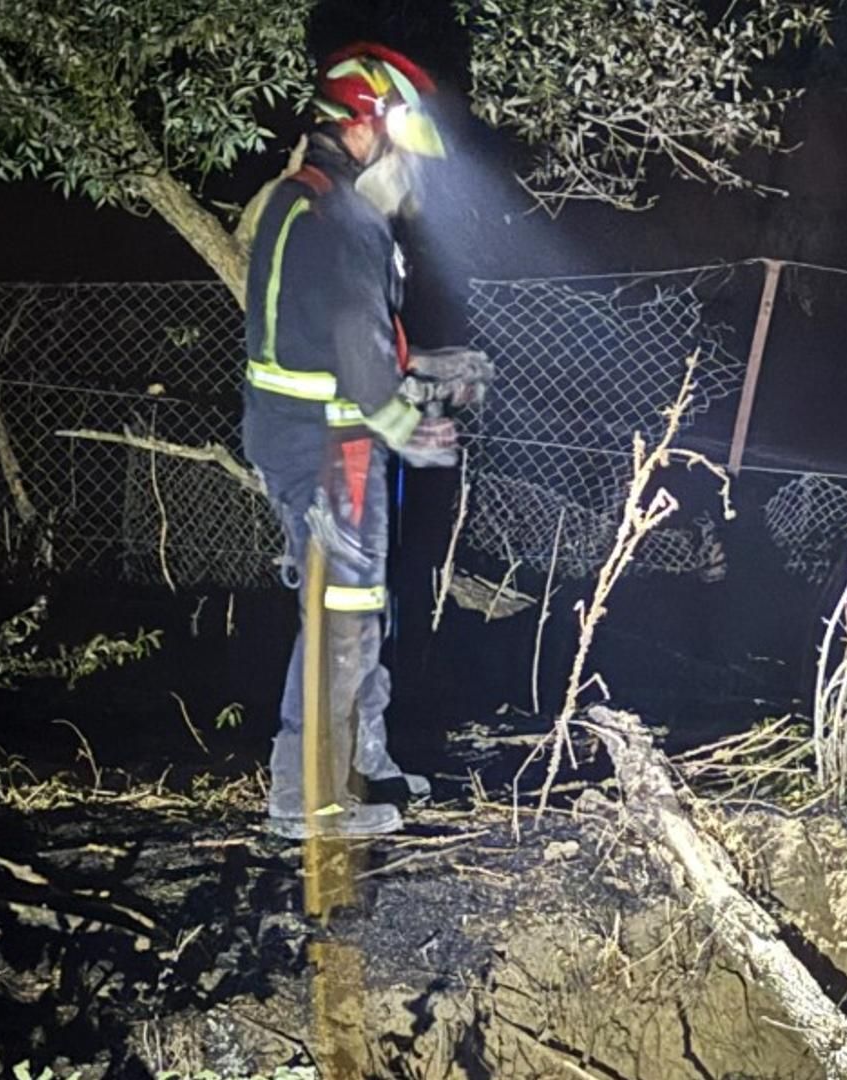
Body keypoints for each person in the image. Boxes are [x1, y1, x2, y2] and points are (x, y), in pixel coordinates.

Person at [240, 42, 488, 839]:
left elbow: (342, 333)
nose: (408, 169)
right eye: (399, 143)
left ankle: (363, 762)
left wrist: (424, 368)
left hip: (312, 432)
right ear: (364, 126)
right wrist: (407, 427)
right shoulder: (343, 218)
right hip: (328, 443)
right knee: (343, 614)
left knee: (360, 609)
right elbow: (352, 345)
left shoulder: (303, 201)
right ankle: (305, 799)